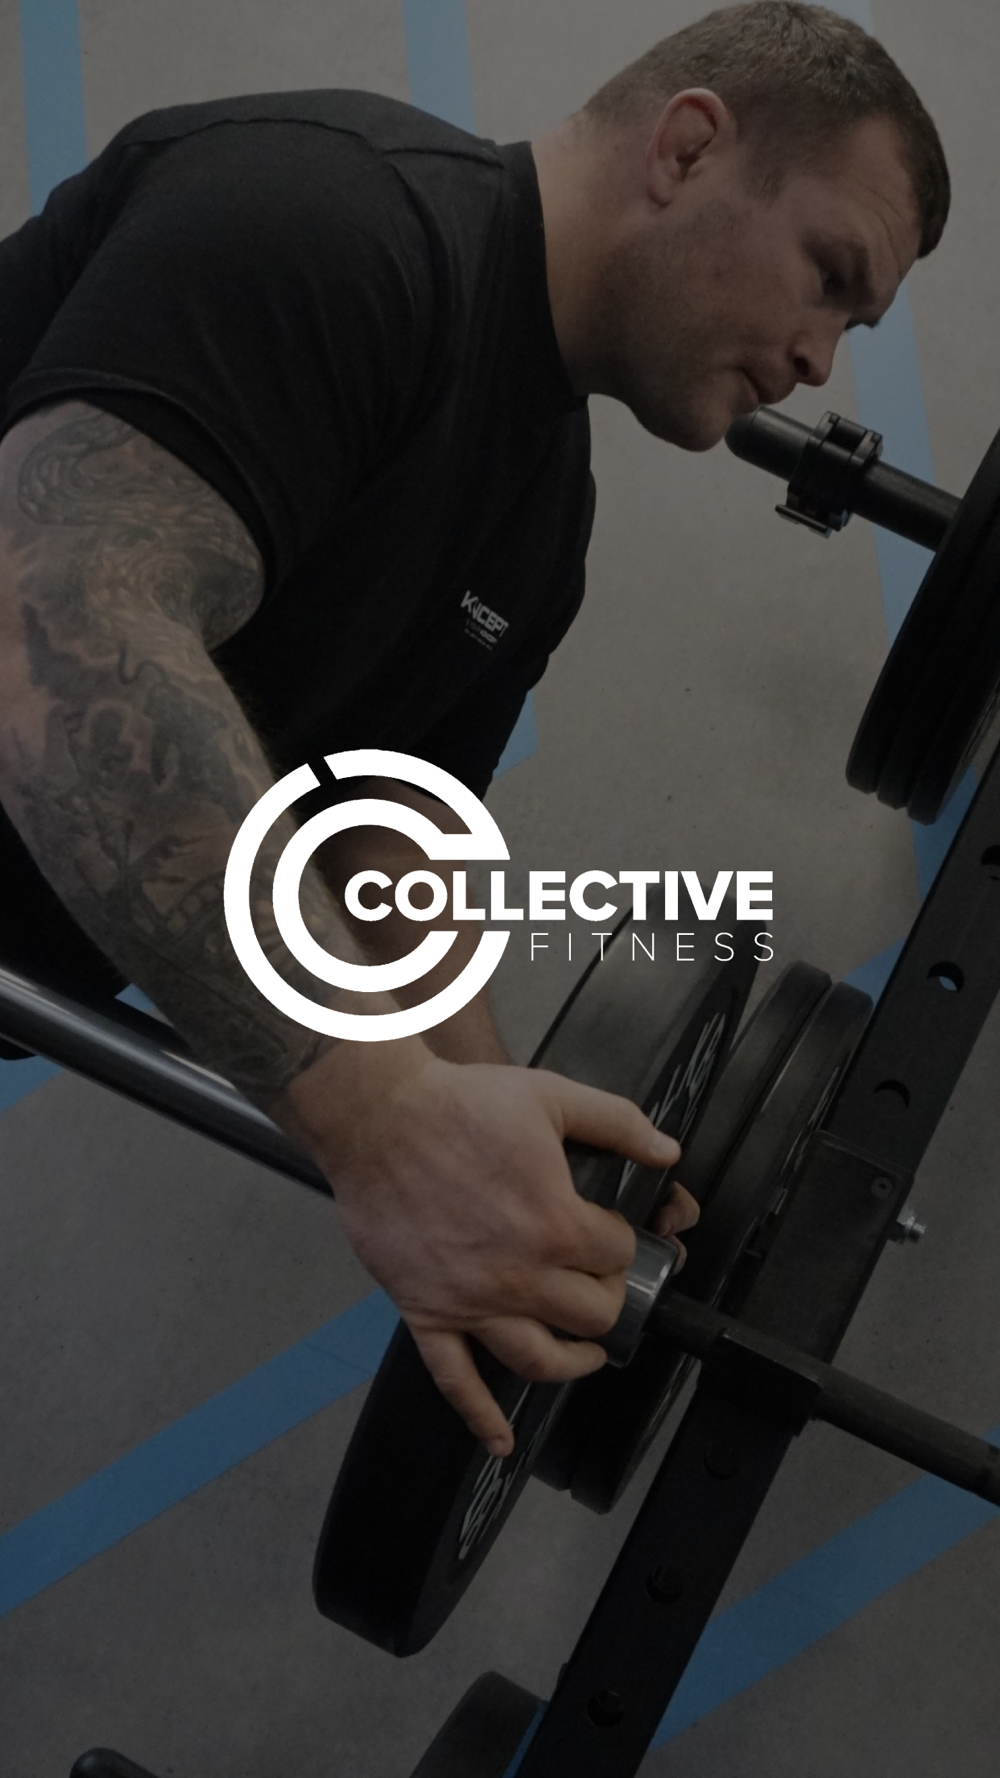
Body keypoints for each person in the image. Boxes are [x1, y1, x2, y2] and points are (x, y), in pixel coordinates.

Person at [0, 2, 948, 1455]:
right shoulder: (336, 224)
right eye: (830, 276)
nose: (824, 360)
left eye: (855, 327)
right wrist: (375, 1116)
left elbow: (383, 848)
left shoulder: (540, 516)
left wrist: (512, 1148)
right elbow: (50, 629)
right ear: (688, 148)